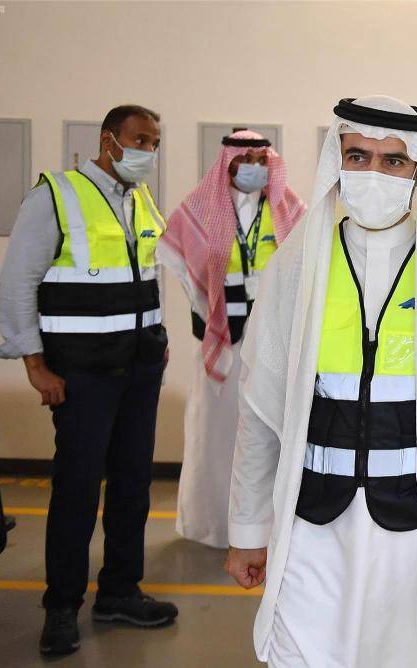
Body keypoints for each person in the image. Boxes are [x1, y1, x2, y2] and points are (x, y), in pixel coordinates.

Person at [224, 96, 417, 668]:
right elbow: (260, 412)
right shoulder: (298, 266)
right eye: (358, 156)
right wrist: (248, 527)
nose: (374, 174)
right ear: (336, 164)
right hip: (311, 528)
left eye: (393, 161)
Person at [0, 104, 178, 656]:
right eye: (140, 139)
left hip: (139, 367)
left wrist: (159, 339)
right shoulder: (56, 194)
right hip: (82, 373)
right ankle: (61, 607)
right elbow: (18, 280)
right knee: (77, 490)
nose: (148, 151)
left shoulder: (140, 199)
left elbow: (148, 274)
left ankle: (119, 591)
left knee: (132, 487)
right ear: (108, 140)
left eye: (154, 142)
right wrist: (34, 363)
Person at [157, 130, 305, 549]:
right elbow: (182, 265)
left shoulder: (289, 209)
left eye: (261, 160)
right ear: (228, 163)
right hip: (223, 340)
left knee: (268, 433)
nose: (254, 168)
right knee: (216, 435)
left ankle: (266, 529)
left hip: (274, 342)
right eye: (245, 160)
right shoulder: (199, 210)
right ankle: (212, 526)